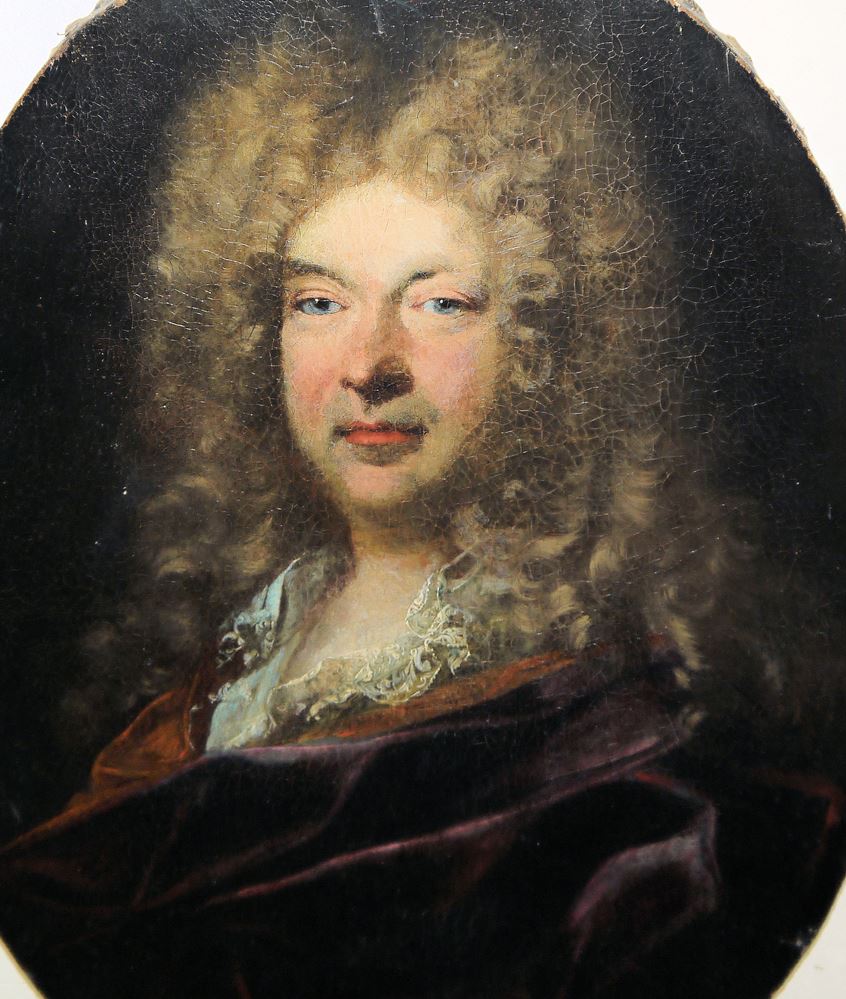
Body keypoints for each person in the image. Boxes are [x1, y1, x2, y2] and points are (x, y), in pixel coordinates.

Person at [0, 18, 842, 999]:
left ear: (542, 344)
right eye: (319, 302)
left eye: (439, 302)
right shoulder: (243, 655)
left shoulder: (611, 743)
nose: (368, 366)